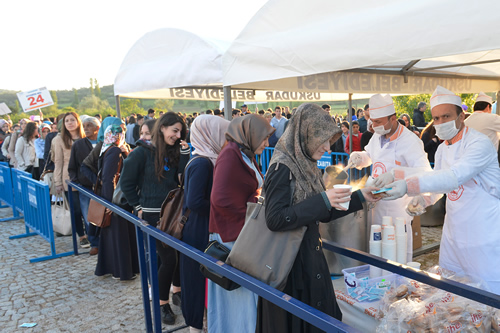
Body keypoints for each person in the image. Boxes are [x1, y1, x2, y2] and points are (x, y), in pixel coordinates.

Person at [255, 103, 381, 333]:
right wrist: (323, 200)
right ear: (305, 134)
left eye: (329, 140)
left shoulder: (307, 165)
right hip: (290, 270)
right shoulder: (282, 167)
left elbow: (322, 212)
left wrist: (361, 196)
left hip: (310, 261)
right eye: (321, 139)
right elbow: (274, 218)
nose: (327, 147)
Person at [383, 85, 500, 294]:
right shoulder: (443, 149)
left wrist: (407, 185)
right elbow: (438, 182)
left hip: (483, 234)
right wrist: (424, 199)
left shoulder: (479, 143)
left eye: (446, 116)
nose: (440, 123)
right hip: (454, 234)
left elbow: (454, 177)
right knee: (452, 293)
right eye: (436, 118)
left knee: (486, 297)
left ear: (461, 116)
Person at [208, 114, 275, 333]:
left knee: (242, 297)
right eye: (264, 138)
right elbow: (220, 199)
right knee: (235, 295)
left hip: (242, 235)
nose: (266, 144)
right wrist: (253, 207)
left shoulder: (243, 153)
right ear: (250, 134)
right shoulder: (230, 155)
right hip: (232, 237)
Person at [121, 112, 189, 325]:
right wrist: (138, 207)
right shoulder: (141, 153)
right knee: (168, 259)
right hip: (152, 215)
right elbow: (126, 183)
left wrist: (185, 153)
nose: (177, 135)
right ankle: (162, 304)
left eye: (180, 131)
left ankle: (177, 291)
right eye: (174, 130)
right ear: (162, 128)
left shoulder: (174, 151)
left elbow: (182, 178)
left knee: (177, 255)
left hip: (174, 212)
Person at [349, 94, 433, 262]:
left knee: (396, 258)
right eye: (372, 121)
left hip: (397, 212)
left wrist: (395, 174)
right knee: (376, 256)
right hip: (375, 206)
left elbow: (424, 171)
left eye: (378, 122)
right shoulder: (377, 135)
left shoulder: (410, 141)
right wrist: (360, 157)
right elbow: (371, 155)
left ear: (393, 118)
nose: (374, 126)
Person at [179, 115, 230, 333]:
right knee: (196, 280)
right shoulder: (202, 162)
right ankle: (195, 326)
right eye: (222, 135)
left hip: (200, 227)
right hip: (198, 229)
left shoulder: (205, 158)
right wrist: (223, 207)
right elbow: (194, 201)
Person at [94, 124, 139, 280]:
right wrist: (109, 204)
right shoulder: (114, 151)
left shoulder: (109, 148)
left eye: (121, 132)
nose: (119, 135)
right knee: (119, 236)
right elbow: (108, 179)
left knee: (115, 236)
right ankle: (122, 271)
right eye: (116, 133)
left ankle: (115, 269)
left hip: (114, 200)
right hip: (116, 201)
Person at [52, 112, 88, 245]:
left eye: (72, 120)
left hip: (86, 178)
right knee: (76, 209)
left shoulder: (85, 137)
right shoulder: (59, 140)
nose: (70, 123)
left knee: (88, 209)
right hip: (69, 179)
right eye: (67, 121)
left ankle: (92, 235)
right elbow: (58, 162)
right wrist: (57, 182)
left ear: (78, 122)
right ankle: (82, 236)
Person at [68, 116, 101, 255]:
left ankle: (104, 242)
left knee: (102, 217)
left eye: (89, 125)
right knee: (89, 216)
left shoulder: (104, 142)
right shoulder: (78, 145)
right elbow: (72, 166)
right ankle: (94, 243)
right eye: (84, 126)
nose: (85, 128)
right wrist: (77, 182)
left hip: (102, 186)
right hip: (85, 187)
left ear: (97, 128)